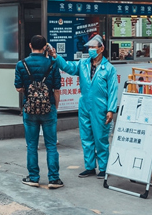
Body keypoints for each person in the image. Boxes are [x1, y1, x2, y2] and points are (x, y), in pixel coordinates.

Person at [49, 34, 118, 179]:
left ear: (101, 49)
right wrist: (56, 57)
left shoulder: (109, 68)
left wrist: (111, 110)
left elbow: (113, 91)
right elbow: (68, 67)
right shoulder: (83, 64)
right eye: (90, 47)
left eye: (93, 47)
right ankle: (90, 167)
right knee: (86, 138)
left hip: (101, 107)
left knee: (101, 138)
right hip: (85, 106)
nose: (91, 50)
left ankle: (104, 168)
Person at [14, 35, 63, 189]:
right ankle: (54, 179)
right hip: (48, 109)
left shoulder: (21, 64)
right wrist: (55, 105)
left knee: (32, 145)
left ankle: (33, 177)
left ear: (30, 45)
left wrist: (31, 92)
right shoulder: (52, 64)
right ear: (44, 47)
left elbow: (18, 87)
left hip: (30, 109)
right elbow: (57, 89)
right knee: (51, 146)